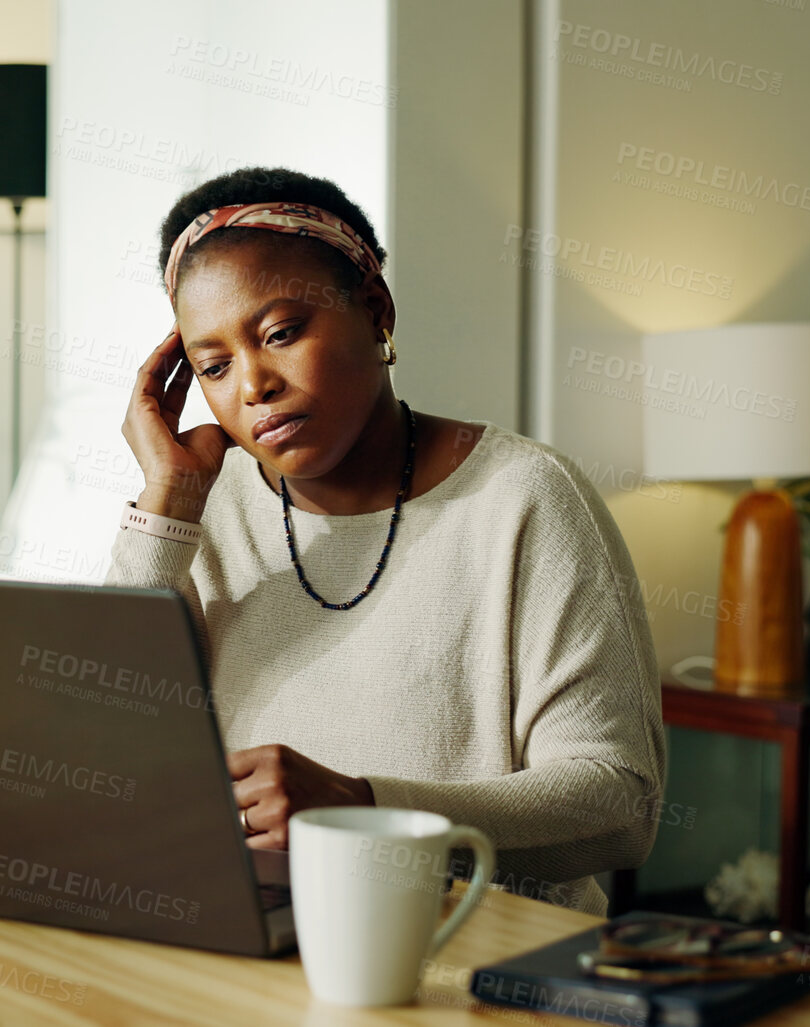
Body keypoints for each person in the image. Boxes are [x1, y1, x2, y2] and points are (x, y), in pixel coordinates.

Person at [104, 166, 666, 914]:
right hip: (255, 940)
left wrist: (366, 811)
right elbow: (103, 746)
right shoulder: (201, 508)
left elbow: (619, 808)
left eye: (279, 333)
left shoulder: (525, 499)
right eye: (213, 365)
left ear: (375, 311)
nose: (252, 384)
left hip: (476, 958)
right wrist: (166, 503)